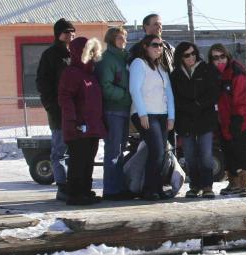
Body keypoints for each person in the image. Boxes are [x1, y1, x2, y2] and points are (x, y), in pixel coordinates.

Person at [57, 37, 107, 206]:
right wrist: (72, 120)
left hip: (92, 125)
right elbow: (65, 97)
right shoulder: (71, 73)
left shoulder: (90, 74)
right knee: (78, 161)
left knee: (88, 160)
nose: (92, 54)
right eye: (89, 50)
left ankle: (86, 191)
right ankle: (75, 194)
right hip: (78, 126)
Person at [170, 41, 221, 198]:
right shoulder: (176, 74)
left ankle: (207, 186)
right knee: (190, 155)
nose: (191, 57)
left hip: (205, 119)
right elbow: (174, 97)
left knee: (206, 154)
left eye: (193, 53)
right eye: (187, 55)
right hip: (185, 120)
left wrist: (198, 104)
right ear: (180, 57)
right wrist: (188, 107)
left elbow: (213, 93)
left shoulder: (207, 69)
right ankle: (194, 186)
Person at [129, 34, 175, 200]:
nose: (159, 48)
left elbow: (168, 93)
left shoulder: (161, 68)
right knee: (156, 151)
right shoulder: (138, 64)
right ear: (145, 47)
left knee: (161, 152)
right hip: (146, 114)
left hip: (162, 114)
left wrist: (171, 116)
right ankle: (149, 190)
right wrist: (142, 113)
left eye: (161, 45)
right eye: (155, 45)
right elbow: (134, 89)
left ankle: (158, 188)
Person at [36, 18, 76, 201]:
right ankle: (62, 186)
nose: (70, 35)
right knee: (59, 151)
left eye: (72, 32)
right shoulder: (50, 55)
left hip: (76, 112)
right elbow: (42, 83)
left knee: (74, 151)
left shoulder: (77, 54)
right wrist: (51, 106)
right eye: (66, 32)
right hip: (58, 112)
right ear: (58, 34)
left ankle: (75, 184)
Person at [211, 43, 246, 198]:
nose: (219, 60)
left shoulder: (237, 72)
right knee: (227, 150)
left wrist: (238, 119)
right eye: (215, 57)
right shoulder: (214, 74)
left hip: (240, 119)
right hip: (223, 120)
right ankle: (233, 182)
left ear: (227, 56)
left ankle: (244, 185)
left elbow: (244, 99)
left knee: (240, 150)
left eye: (222, 56)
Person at [97, 26, 133, 200]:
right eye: (120, 37)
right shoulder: (107, 60)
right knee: (112, 151)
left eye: (125, 37)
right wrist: (126, 94)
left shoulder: (124, 58)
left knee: (120, 151)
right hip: (113, 110)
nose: (124, 40)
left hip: (124, 109)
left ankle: (119, 187)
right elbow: (105, 86)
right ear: (111, 39)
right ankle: (111, 190)